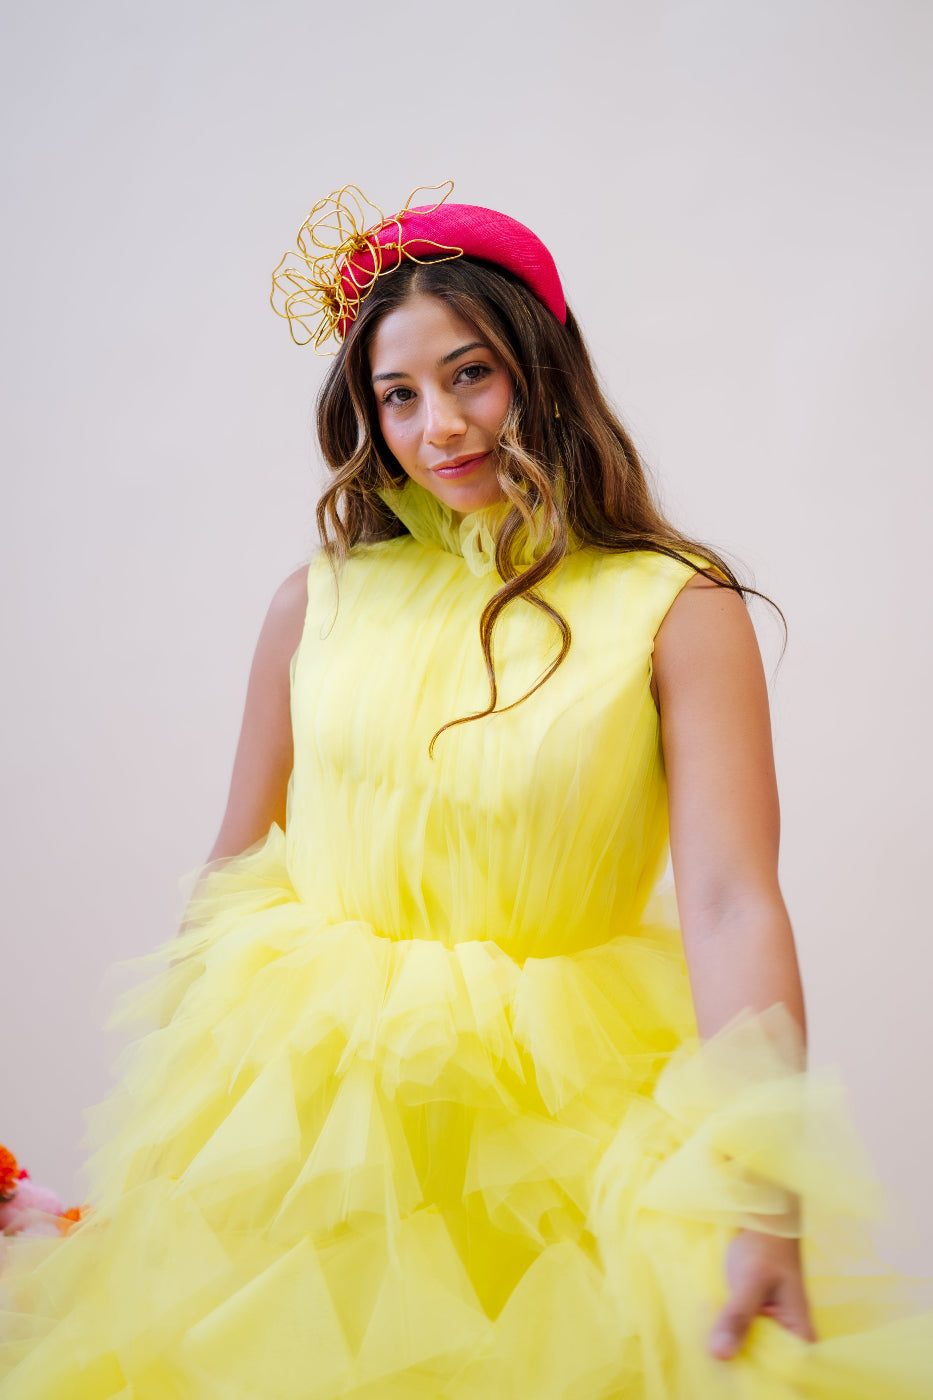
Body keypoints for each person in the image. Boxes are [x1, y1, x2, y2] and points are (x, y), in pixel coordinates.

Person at [1, 182, 931, 1399]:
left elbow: (729, 902)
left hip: (558, 1129)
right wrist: (166, 1172)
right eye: (399, 394)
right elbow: (232, 867)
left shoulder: (675, 608)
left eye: (472, 373)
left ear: (543, 368)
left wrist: (766, 1192)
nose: (439, 424)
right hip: (311, 1121)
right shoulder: (314, 602)